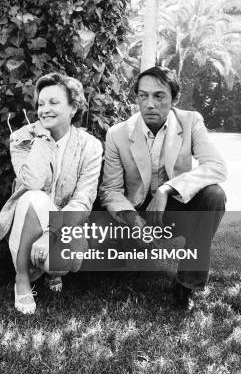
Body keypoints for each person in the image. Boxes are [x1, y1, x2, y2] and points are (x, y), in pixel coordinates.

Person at [100, 66, 227, 311]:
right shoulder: (117, 134)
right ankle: (122, 256)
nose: (149, 104)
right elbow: (111, 190)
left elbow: (217, 166)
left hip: (174, 211)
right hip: (134, 216)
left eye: (159, 96)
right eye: (143, 95)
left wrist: (166, 189)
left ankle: (186, 284)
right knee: (109, 259)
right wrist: (136, 222)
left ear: (174, 99)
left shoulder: (191, 122)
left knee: (214, 195)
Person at [0, 73, 103, 314]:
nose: (44, 110)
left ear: (73, 107)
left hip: (64, 224)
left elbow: (83, 200)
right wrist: (43, 138)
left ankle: (51, 272)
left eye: (53, 103)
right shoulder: (21, 138)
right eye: (41, 104)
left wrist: (51, 233)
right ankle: (22, 279)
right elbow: (32, 182)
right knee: (34, 197)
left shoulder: (91, 146)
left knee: (60, 263)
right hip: (28, 220)